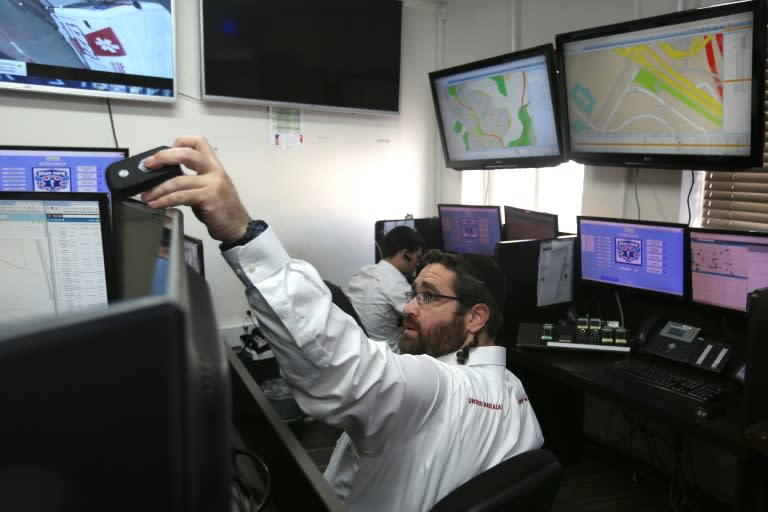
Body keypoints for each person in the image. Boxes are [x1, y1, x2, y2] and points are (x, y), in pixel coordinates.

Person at [141, 136, 544, 512]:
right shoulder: (517, 396)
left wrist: (243, 234)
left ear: (476, 317)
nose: (410, 308)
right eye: (413, 292)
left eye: (430, 297)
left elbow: (341, 367)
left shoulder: (438, 387)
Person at [346, 225, 426, 352]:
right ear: (405, 254)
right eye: (417, 258)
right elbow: (426, 317)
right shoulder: (397, 286)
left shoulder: (364, 272)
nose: (418, 264)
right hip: (389, 355)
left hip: (359, 345)